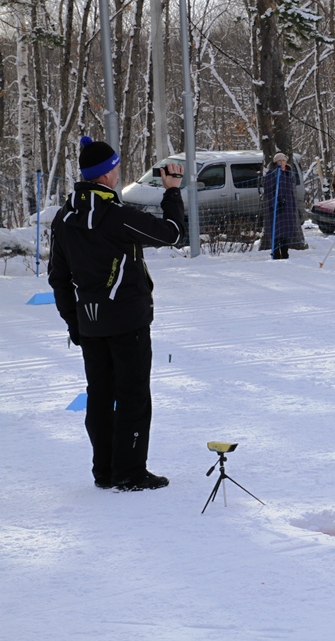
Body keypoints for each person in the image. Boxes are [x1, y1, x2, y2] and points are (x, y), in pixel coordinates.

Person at [48, 137, 184, 491]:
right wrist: (172, 192)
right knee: (133, 396)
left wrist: (74, 322)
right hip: (127, 322)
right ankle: (129, 473)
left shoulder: (65, 217)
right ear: (108, 174)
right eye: (116, 167)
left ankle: (105, 471)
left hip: (91, 324)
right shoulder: (116, 216)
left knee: (100, 394)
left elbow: (58, 278)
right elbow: (171, 234)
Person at [263, 152, 299, 259]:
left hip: (287, 207)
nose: (282, 162)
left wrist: (291, 205)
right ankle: (276, 253)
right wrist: (276, 203)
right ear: (275, 162)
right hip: (276, 208)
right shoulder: (271, 174)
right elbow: (268, 191)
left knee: (285, 232)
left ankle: (285, 252)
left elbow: (291, 191)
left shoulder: (288, 173)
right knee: (276, 231)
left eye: (283, 160)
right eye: (280, 160)